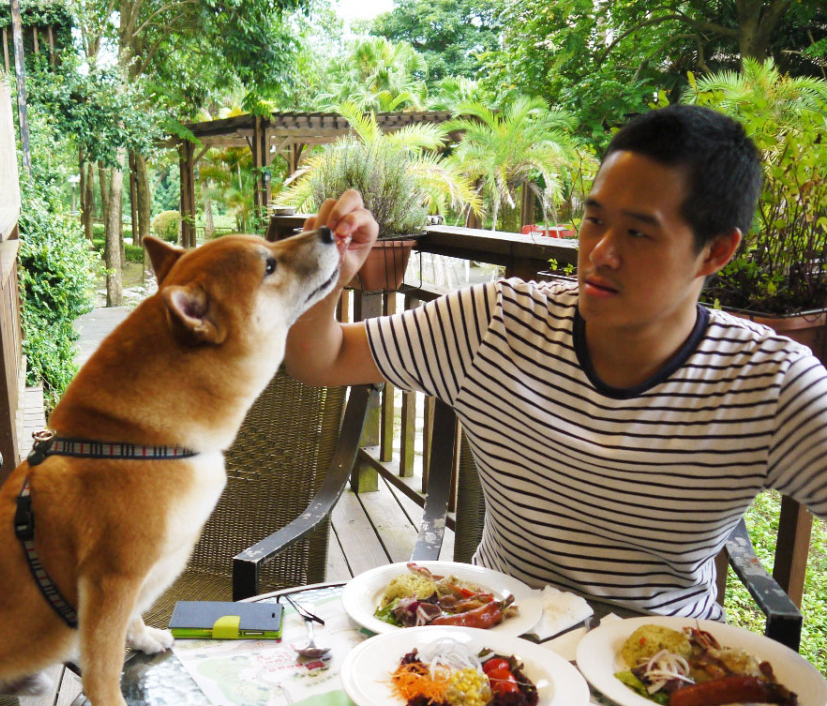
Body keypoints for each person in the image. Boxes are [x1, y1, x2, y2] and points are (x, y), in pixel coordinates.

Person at [284, 104, 827, 620]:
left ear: (714, 252)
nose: (601, 252)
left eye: (637, 232)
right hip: (499, 638)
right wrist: (326, 266)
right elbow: (321, 360)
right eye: (594, 220)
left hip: (664, 668)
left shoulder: (771, 384)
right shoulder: (497, 323)